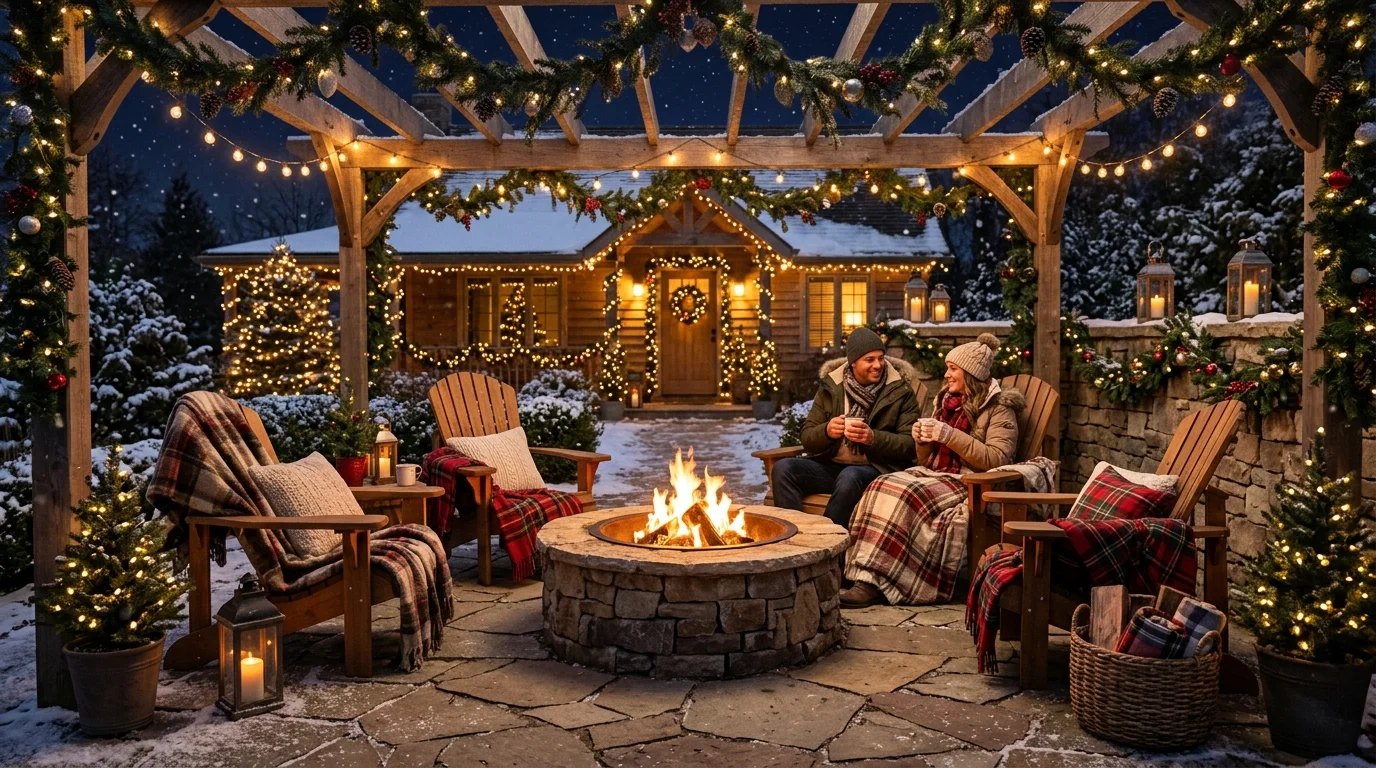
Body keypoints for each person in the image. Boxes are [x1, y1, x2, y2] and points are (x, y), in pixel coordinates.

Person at [837, 333, 1053, 608]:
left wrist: (949, 435)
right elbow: (925, 459)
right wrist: (922, 440)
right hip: (937, 474)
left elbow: (996, 457)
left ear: (971, 374)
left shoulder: (1000, 408)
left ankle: (885, 581)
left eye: (953, 369)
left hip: (970, 480)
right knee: (881, 484)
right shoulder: (947, 402)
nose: (947, 375)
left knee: (907, 494)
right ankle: (863, 575)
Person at [771, 327, 922, 527]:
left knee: (850, 475)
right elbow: (807, 437)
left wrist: (872, 438)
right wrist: (827, 431)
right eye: (870, 359)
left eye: (881, 358)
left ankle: (826, 542)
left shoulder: (900, 391)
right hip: (832, 467)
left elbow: (910, 444)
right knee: (783, 468)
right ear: (853, 362)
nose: (877, 365)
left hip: (877, 469)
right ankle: (793, 538)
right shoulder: (831, 388)